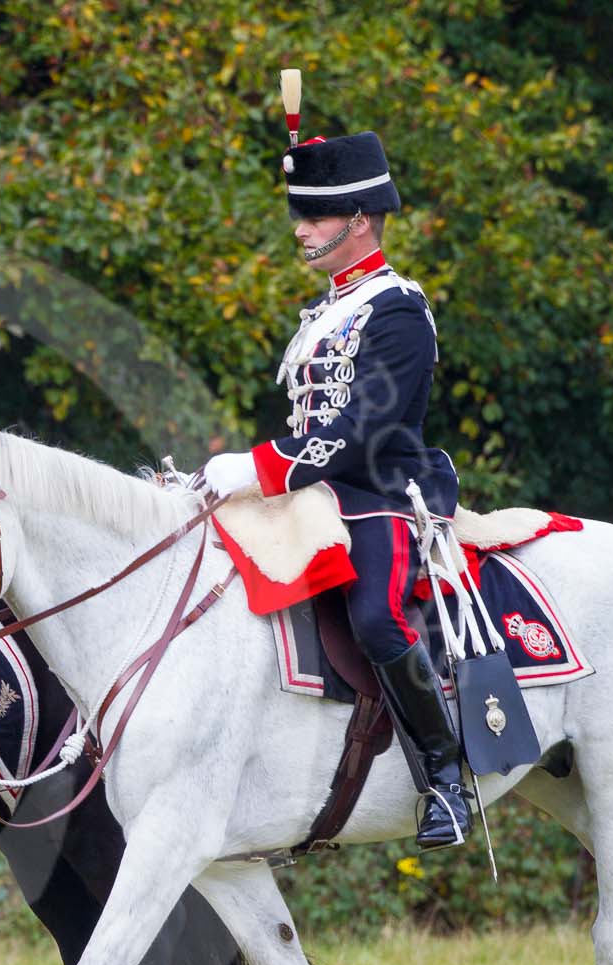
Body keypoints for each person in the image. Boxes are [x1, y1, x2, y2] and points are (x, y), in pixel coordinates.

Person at [201, 123, 470, 847]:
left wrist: (259, 467)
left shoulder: (398, 311)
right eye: (302, 215)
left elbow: (363, 431)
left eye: (315, 217)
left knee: (377, 616)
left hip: (380, 493)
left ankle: (446, 775)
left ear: (358, 222)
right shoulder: (324, 313)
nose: (302, 230)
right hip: (311, 494)